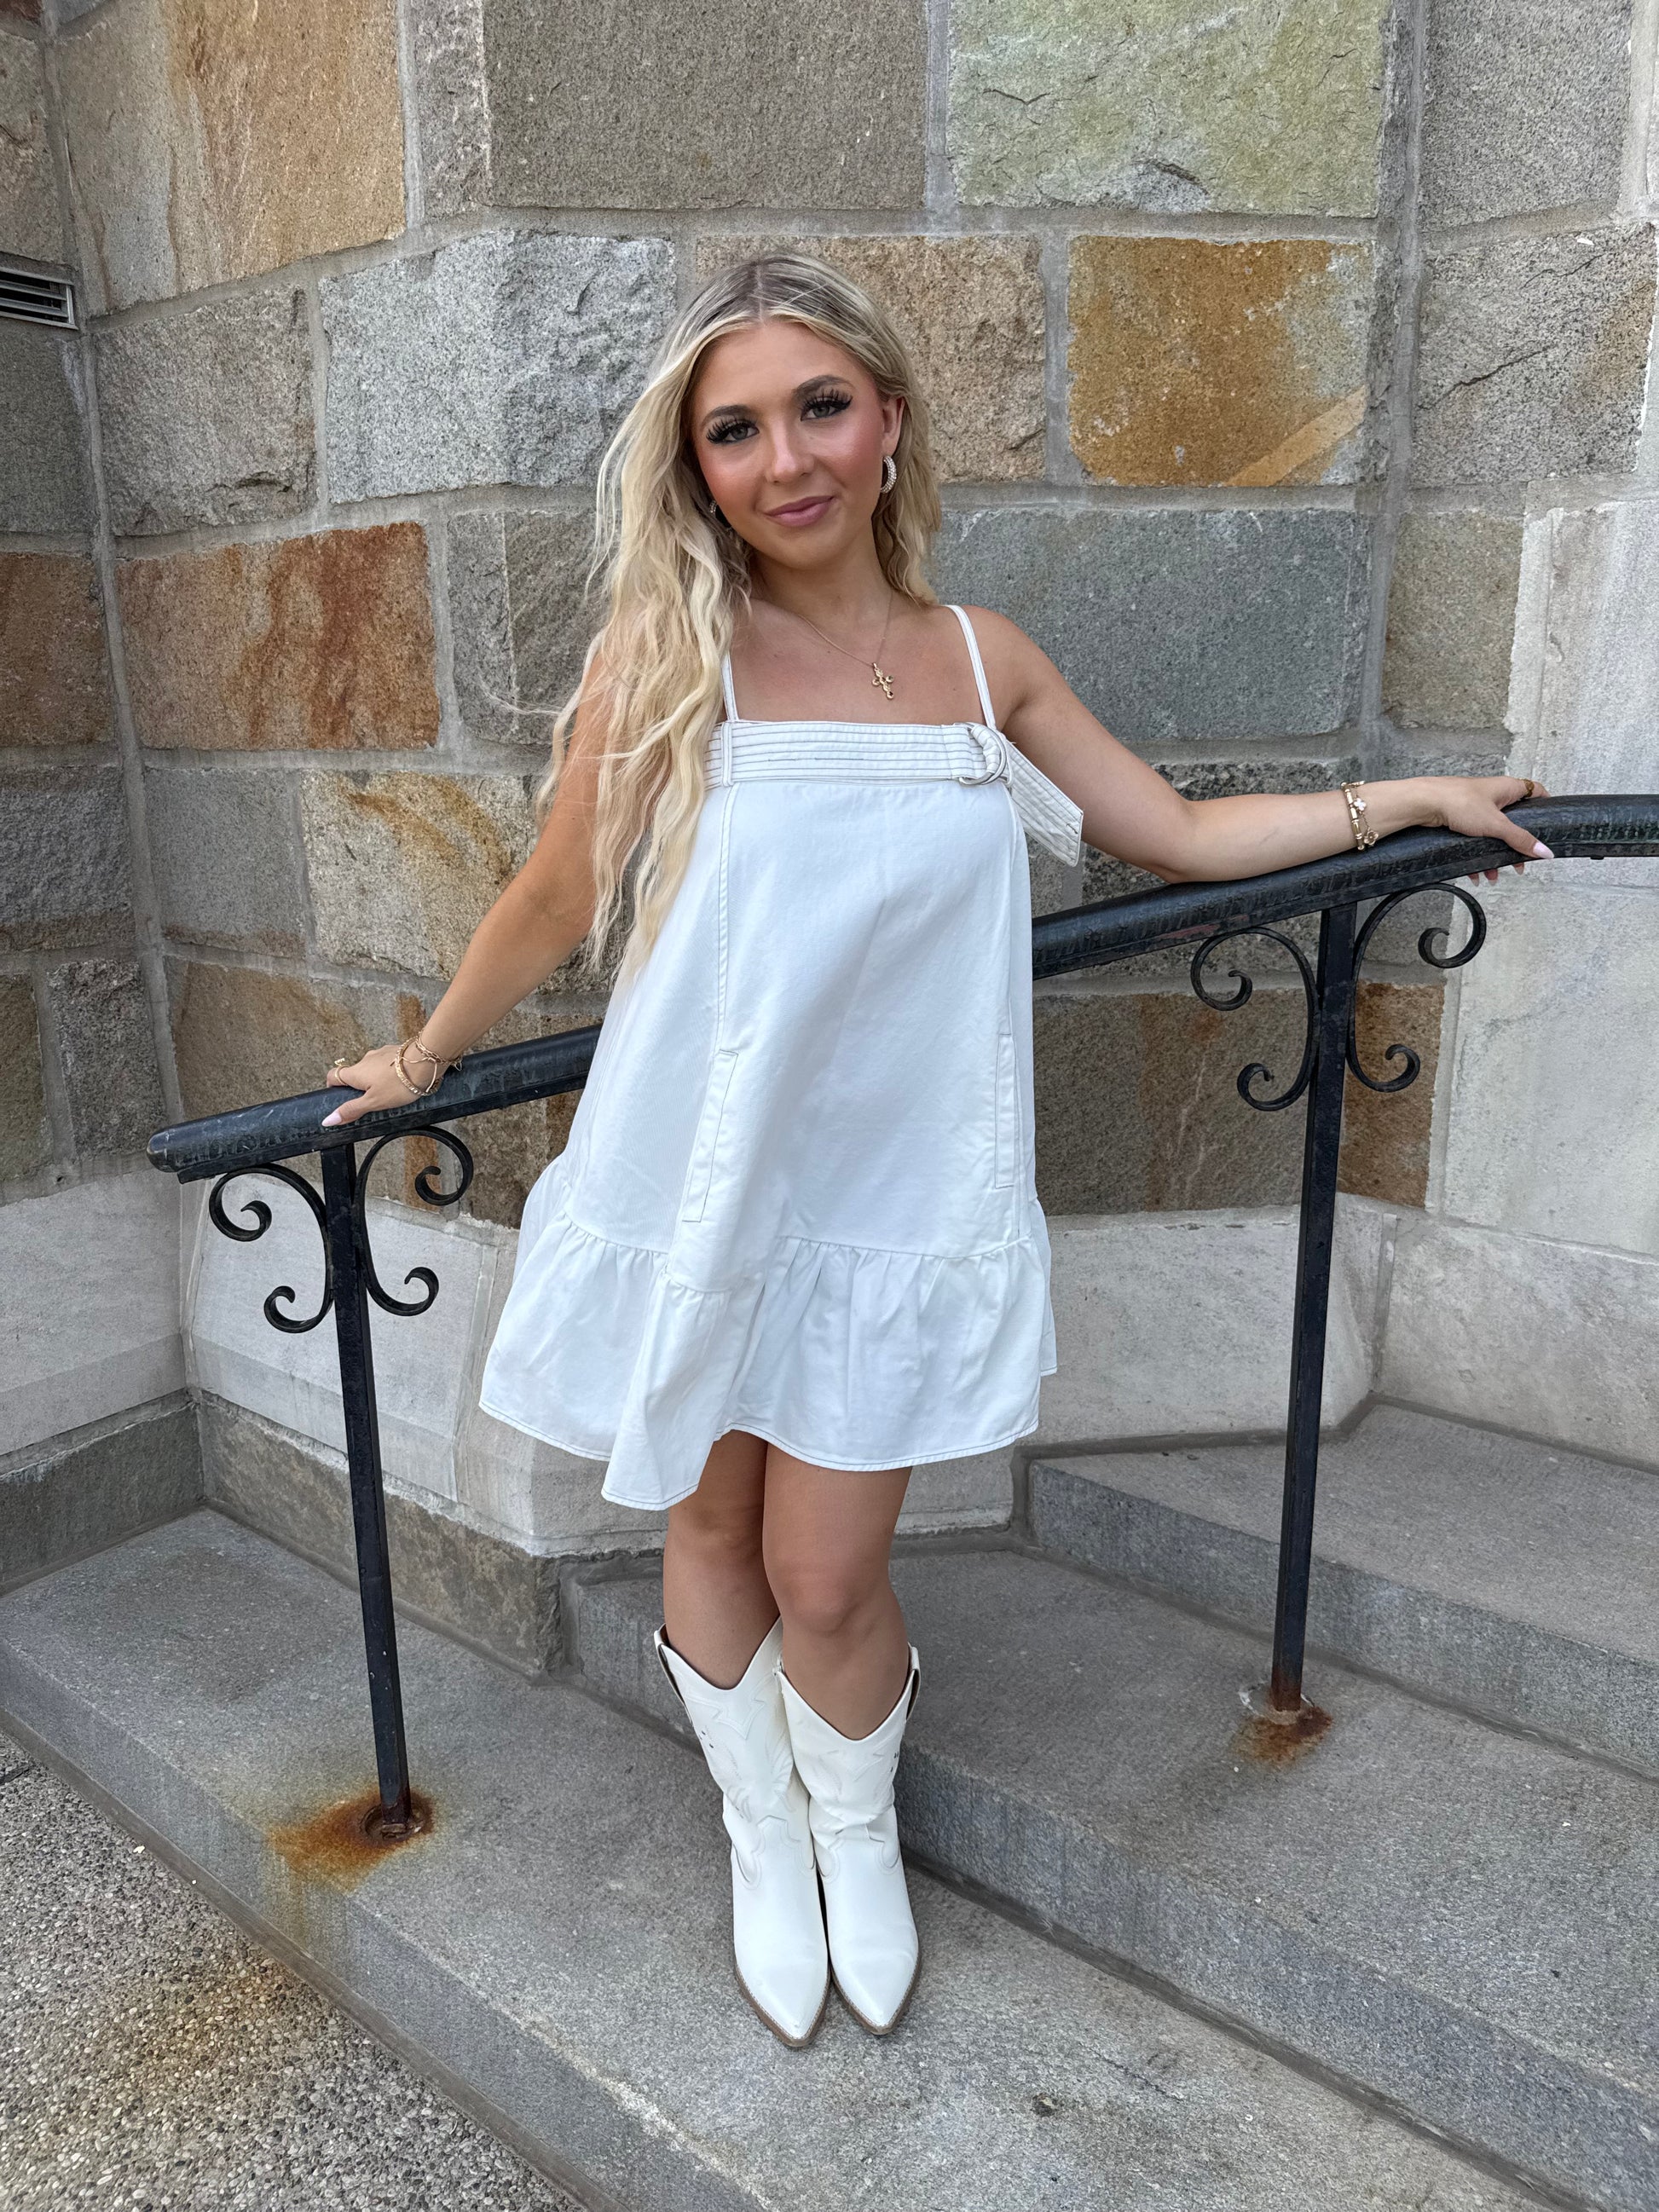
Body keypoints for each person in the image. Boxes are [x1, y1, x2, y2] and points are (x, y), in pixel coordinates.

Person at [321, 252, 1552, 2049]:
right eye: (734, 429)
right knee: (708, 1519)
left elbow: (1179, 833)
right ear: (696, 466)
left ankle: (853, 1826)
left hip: (896, 1205)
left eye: (818, 408)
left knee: (828, 1572)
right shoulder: (671, 656)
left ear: (886, 420)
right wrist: (424, 1052)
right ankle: (764, 1832)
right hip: (701, 1175)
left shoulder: (986, 661)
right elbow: (558, 891)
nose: (784, 458)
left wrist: (1402, 803)